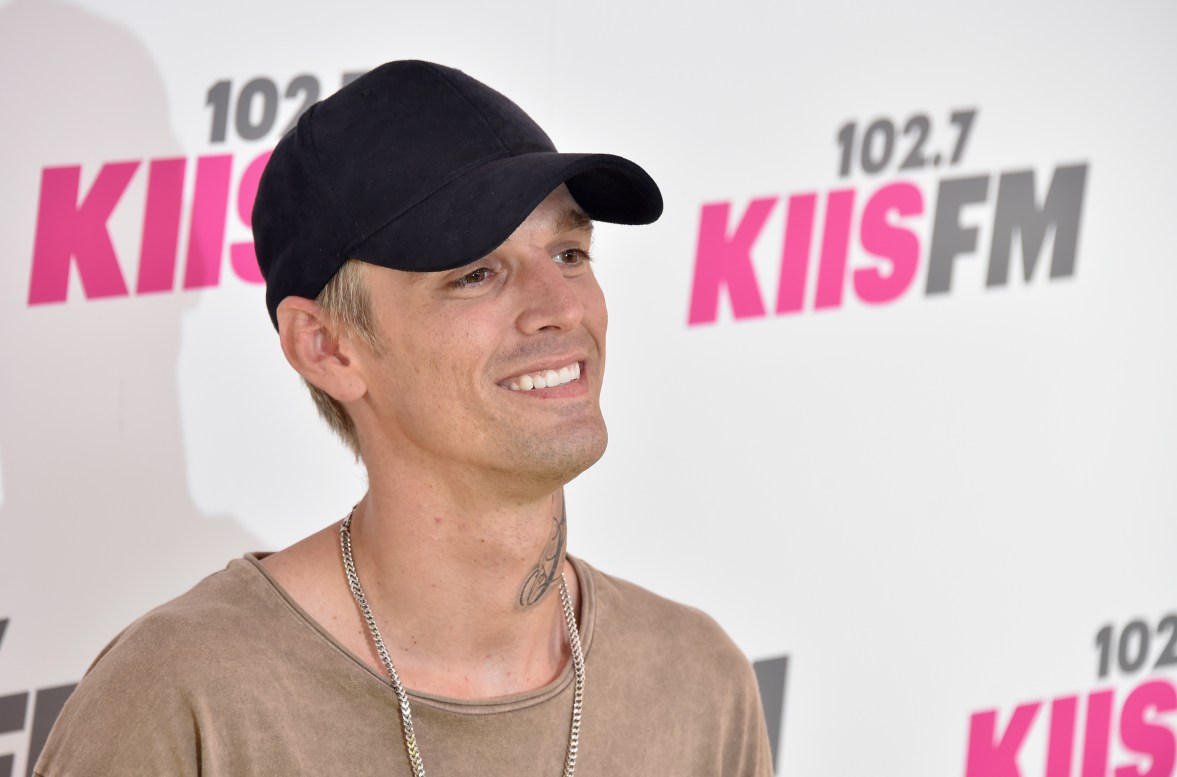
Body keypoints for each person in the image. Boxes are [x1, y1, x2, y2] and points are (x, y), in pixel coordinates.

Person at [35, 60, 774, 777]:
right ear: (326, 347)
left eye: (569, 251)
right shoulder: (187, 698)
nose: (561, 308)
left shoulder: (699, 682)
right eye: (475, 273)